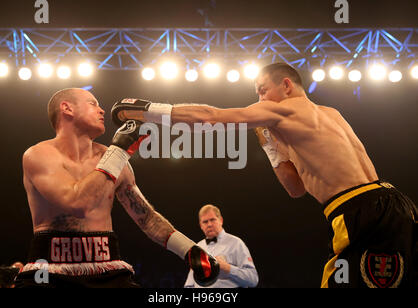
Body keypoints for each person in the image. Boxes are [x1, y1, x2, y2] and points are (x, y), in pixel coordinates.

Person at [113, 63, 417, 288]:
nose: (259, 99)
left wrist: (146, 109)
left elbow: (211, 116)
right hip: (392, 205)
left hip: (357, 211)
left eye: (262, 90)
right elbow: (295, 188)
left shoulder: (285, 111)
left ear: (286, 85)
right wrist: (271, 145)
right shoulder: (329, 114)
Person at [14, 88, 219, 288]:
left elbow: (146, 218)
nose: (102, 110)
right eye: (93, 104)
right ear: (67, 108)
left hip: (108, 270)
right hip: (48, 271)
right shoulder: (39, 155)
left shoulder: (112, 157)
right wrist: (119, 151)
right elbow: (76, 203)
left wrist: (189, 250)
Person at [184, 204, 258, 288]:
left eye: (212, 220)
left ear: (221, 220)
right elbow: (189, 284)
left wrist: (228, 269)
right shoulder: (197, 247)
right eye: (205, 222)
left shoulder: (236, 243)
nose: (209, 224)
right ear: (201, 225)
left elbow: (253, 279)